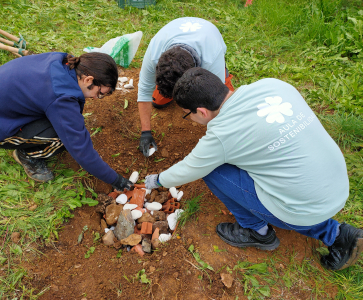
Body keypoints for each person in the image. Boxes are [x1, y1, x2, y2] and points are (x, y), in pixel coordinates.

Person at [145, 67, 363, 270]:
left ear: (201, 112)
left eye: (187, 114)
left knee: (211, 170)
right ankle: (335, 232)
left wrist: (156, 180)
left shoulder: (222, 135)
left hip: (304, 206)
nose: (190, 119)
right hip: (336, 184)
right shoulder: (272, 85)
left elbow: (190, 168)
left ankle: (257, 231)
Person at [0, 52, 133, 191]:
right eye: (99, 93)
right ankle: (27, 155)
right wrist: (115, 179)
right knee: (63, 138)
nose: (95, 98)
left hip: (0, 104)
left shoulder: (64, 61)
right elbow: (81, 150)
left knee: (67, 124)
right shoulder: (61, 98)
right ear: (88, 79)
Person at [137, 17, 235, 157]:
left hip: (207, 43)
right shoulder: (154, 52)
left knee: (221, 102)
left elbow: (217, 100)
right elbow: (144, 90)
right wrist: (145, 131)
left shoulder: (211, 60)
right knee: (158, 101)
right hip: (178, 39)